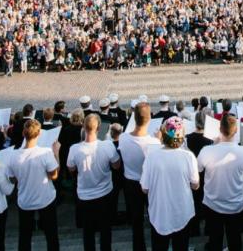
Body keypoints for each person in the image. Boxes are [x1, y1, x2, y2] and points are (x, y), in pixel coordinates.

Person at [141, 117, 199, 251]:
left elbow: (145, 188)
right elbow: (195, 185)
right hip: (182, 212)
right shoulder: (188, 156)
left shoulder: (151, 157)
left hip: (160, 213)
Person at [197, 115, 243, 251]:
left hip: (213, 204)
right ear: (235, 131)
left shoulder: (206, 150)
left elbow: (198, 170)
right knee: (235, 239)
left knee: (215, 239)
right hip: (236, 203)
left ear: (220, 129)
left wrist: (214, 146)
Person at [67, 114, 121, 251]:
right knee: (105, 230)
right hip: (105, 193)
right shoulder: (107, 145)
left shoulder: (74, 149)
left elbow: (71, 168)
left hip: (85, 196)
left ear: (83, 127)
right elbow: (116, 165)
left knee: (88, 232)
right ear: (98, 128)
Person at [6, 119, 60, 251]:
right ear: (39, 134)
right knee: (51, 235)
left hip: (25, 200)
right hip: (45, 198)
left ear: (23, 133)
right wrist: (56, 154)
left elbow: (12, 180)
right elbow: (54, 175)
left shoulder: (13, 156)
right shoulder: (45, 153)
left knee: (24, 237)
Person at [119, 102, 161, 251]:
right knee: (154, 216)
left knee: (136, 221)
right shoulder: (154, 142)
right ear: (149, 118)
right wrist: (160, 140)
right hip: (150, 183)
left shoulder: (123, 138)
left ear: (134, 118)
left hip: (131, 182)